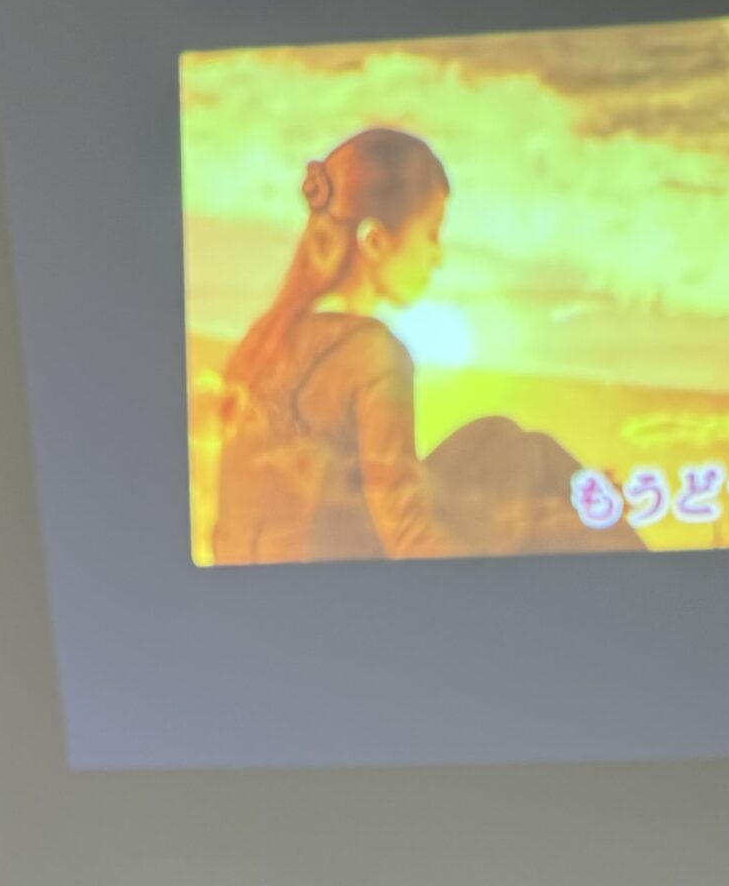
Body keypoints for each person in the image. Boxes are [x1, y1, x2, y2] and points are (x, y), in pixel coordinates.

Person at [210, 126, 644, 564]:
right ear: (374, 240)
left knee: (497, 437)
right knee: (536, 460)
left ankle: (585, 516)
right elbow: (407, 535)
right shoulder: (371, 350)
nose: (438, 257)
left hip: (270, 578)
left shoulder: (262, 342)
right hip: (352, 579)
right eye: (432, 234)